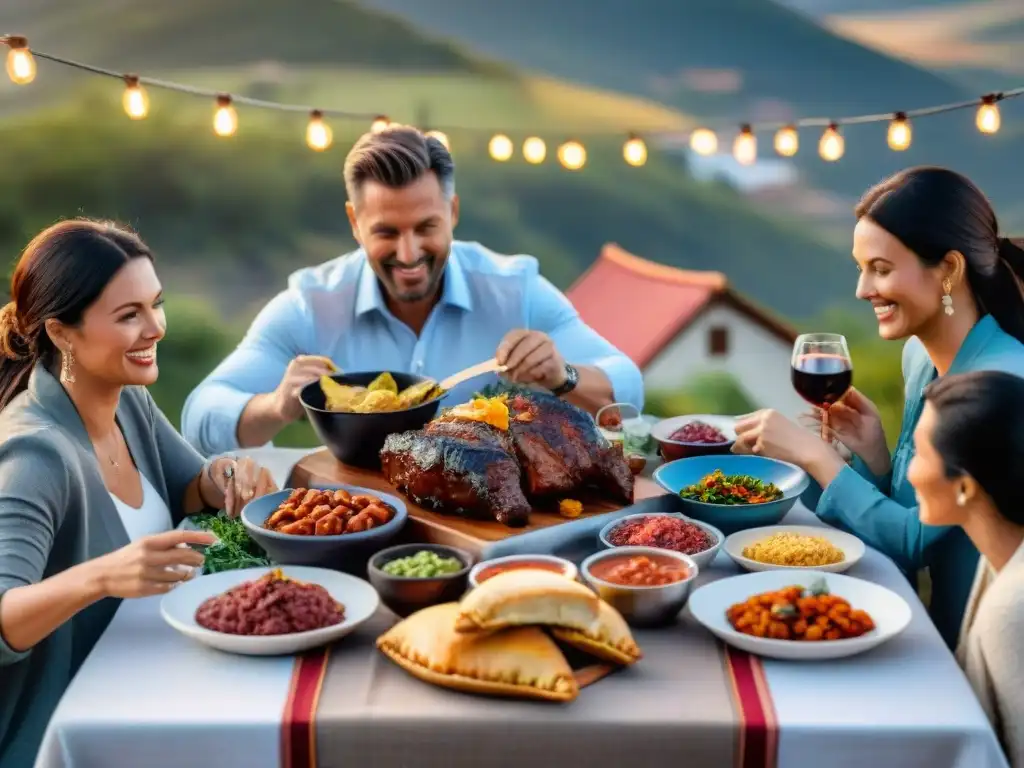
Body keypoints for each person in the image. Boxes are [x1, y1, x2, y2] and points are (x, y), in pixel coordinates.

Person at [181, 125, 644, 456]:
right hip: (360, 520)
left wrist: (563, 375)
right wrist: (276, 405)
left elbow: (628, 388)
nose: (408, 253)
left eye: (427, 227)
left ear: (454, 212)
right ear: (353, 223)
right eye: (386, 231)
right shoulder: (310, 304)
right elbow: (200, 415)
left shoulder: (514, 289)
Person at [0, 220, 278, 767]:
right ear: (61, 333)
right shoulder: (35, 453)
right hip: (77, 734)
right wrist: (103, 575)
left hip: (160, 687)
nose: (156, 328)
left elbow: (189, 487)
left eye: (157, 304)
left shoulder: (126, 400)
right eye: (129, 315)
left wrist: (225, 473)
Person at [729, 166, 1024, 650]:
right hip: (923, 626)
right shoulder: (919, 358)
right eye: (861, 267)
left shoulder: (1002, 382)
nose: (863, 290)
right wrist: (877, 458)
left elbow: (914, 541)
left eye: (881, 269)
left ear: (948, 270)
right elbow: (919, 518)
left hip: (978, 651)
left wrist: (817, 459)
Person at [908, 371, 1024, 766]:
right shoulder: (999, 558)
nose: (911, 473)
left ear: (965, 487)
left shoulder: (1011, 610)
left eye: (921, 455)